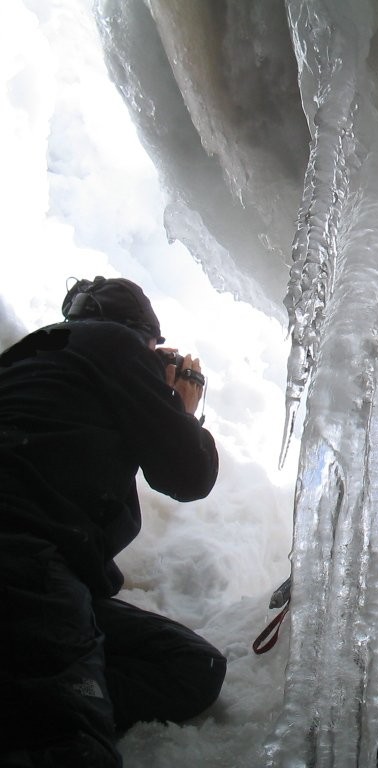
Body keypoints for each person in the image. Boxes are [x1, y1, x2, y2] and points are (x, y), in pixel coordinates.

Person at [0, 276, 224, 767]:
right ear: (141, 333)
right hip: (27, 561)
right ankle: (50, 706)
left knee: (194, 667)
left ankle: (43, 696)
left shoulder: (31, 357)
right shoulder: (115, 344)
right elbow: (188, 473)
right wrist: (181, 407)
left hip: (46, 575)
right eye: (154, 348)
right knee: (68, 747)